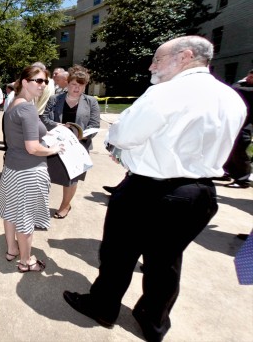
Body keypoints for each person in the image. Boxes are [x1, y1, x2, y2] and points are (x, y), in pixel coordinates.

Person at [62, 36, 247, 342]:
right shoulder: (230, 98)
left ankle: (103, 306)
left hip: (149, 190)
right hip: (198, 193)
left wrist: (121, 144)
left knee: (119, 255)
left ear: (185, 56)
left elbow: (124, 134)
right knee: (166, 262)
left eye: (158, 59)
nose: (151, 65)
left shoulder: (165, 93)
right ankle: (153, 320)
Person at [0, 65, 64, 272]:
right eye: (38, 81)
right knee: (25, 219)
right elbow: (33, 148)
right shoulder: (28, 108)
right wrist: (53, 149)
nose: (43, 85)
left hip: (13, 169)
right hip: (29, 171)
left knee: (11, 211)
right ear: (25, 82)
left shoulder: (13, 104)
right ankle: (26, 261)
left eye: (45, 81)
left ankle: (11, 249)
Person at [41, 69, 100, 219]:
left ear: (85, 86)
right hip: (55, 145)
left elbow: (94, 125)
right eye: (74, 84)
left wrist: (83, 135)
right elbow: (45, 119)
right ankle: (40, 206)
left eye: (81, 85)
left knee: (71, 178)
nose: (77, 88)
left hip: (78, 146)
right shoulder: (55, 99)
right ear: (68, 84)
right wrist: (58, 126)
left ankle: (65, 205)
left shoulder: (91, 102)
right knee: (45, 176)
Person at [222, 69, 252, 188]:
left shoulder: (246, 88)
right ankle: (227, 172)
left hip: (247, 124)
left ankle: (242, 179)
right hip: (237, 121)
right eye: (248, 76)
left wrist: (241, 81)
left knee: (240, 150)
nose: (248, 79)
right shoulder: (245, 86)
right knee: (228, 147)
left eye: (251, 77)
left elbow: (235, 88)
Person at [2, 82, 15, 150]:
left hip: (7, 114)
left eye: (6, 88)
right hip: (11, 114)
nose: (6, 89)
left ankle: (6, 146)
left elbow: (6, 108)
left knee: (5, 130)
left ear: (9, 88)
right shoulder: (13, 95)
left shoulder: (10, 96)